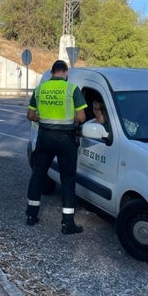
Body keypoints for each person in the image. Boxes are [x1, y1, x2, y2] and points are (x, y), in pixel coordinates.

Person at [25, 60, 87, 235]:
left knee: (37, 175)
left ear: (52, 72)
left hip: (44, 137)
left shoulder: (40, 89)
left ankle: (31, 216)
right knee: (67, 180)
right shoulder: (72, 89)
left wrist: (44, 119)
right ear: (65, 73)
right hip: (66, 140)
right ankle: (68, 223)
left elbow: (30, 115)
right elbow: (81, 117)